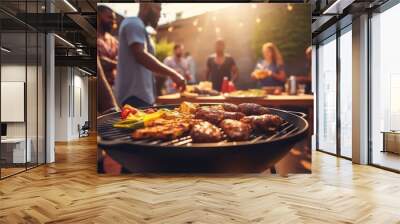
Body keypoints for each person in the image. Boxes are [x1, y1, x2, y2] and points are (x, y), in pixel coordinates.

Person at [115, 3, 186, 108]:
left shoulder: (140, 28)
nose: (160, 15)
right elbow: (141, 55)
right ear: (145, 6)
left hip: (143, 97)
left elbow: (142, 66)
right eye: (158, 9)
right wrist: (173, 74)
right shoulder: (133, 23)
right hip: (134, 98)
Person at [97, 5, 119, 115]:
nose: (113, 21)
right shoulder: (92, 36)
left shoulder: (114, 41)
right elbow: (100, 62)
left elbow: (120, 61)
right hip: (96, 90)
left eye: (114, 19)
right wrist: (117, 64)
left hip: (113, 90)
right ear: (98, 16)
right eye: (109, 17)